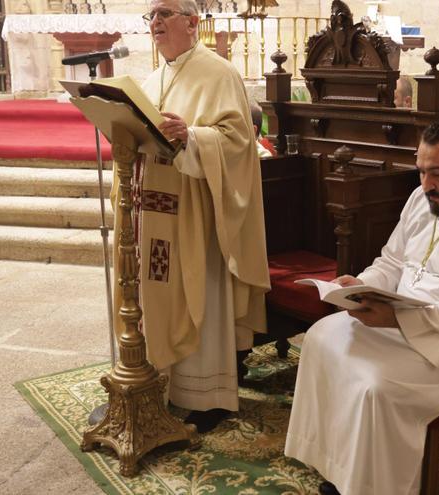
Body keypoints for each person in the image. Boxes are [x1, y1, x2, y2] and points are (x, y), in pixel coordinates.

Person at [284, 119, 439, 495]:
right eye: (421, 172)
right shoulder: (424, 198)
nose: (425, 186)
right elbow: (392, 261)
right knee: (321, 337)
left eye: (437, 173)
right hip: (410, 324)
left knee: (378, 385)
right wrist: (362, 285)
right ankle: (346, 473)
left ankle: (379, 486)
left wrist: (398, 318)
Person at [117, 0, 270, 433]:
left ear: (192, 21)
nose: (156, 22)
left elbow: (239, 141)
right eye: (151, 16)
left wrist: (193, 136)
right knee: (160, 297)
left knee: (200, 293)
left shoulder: (219, 72)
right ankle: (163, 381)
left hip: (199, 214)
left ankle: (209, 396)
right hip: (155, 210)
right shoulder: (151, 78)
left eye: (164, 13)